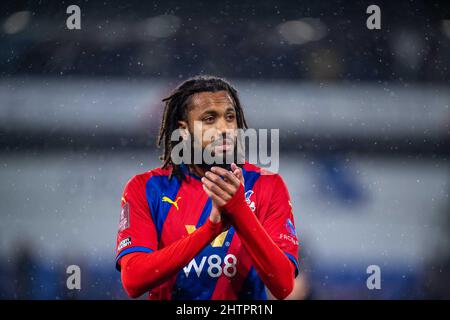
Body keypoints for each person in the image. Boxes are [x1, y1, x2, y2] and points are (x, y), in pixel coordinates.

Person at [115, 75, 299, 300]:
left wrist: (239, 208)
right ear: (184, 130)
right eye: (209, 119)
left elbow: (283, 285)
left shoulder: (268, 185)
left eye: (230, 117)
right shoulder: (146, 188)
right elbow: (134, 280)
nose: (224, 128)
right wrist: (212, 229)